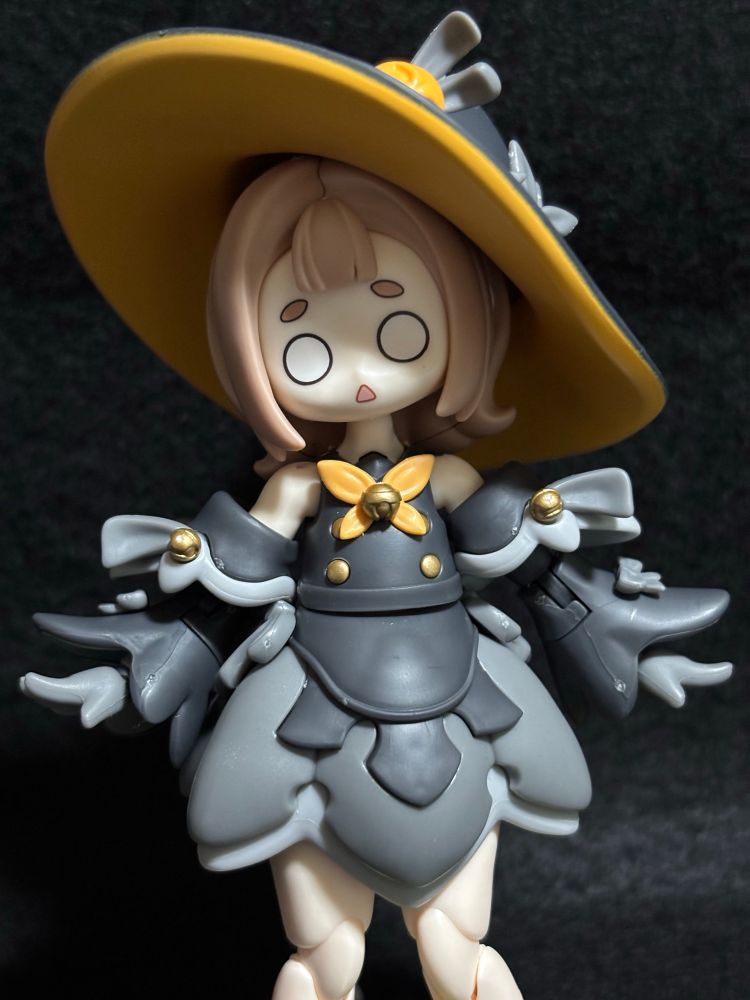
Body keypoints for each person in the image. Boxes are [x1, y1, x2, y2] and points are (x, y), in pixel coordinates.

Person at [21, 13, 731, 999]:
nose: (357, 370)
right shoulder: (295, 490)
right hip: (306, 699)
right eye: (304, 339)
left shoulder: (451, 482)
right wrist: (145, 668)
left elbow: (543, 574)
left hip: (462, 690)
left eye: (398, 323)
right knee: (324, 954)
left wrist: (621, 634)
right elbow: (218, 599)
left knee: (456, 944)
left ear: (468, 314)